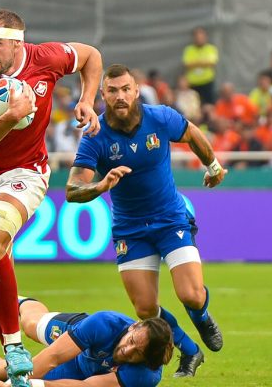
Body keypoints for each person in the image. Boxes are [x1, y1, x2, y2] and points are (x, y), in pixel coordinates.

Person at [0, 9, 102, 386]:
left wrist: (88, 99)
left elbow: (90, 56)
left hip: (27, 172)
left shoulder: (45, 58)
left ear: (17, 43)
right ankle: (13, 352)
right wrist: (10, 117)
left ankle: (16, 349)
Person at [66, 64, 226, 377]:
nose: (120, 96)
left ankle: (202, 317)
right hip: (130, 229)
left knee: (190, 295)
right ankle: (190, 350)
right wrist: (100, 186)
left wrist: (214, 166)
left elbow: (192, 133)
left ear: (137, 91)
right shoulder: (95, 137)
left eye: (126, 89)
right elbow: (73, 189)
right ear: (103, 95)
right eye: (112, 91)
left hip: (170, 219)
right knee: (145, 310)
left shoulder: (160, 117)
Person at [0, 296, 174, 387]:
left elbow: (85, 386)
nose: (127, 350)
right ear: (134, 326)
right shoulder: (104, 323)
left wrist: (22, 384)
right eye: (131, 340)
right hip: (77, 336)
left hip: (85, 373)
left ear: (145, 360)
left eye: (136, 353)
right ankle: (15, 301)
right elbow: (53, 357)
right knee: (31, 325)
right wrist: (16, 385)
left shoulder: (146, 375)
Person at [181, 26, 219, 105]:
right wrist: (203, 62)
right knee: (195, 105)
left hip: (207, 82)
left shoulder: (211, 48)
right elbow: (187, 64)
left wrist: (195, 62)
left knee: (209, 104)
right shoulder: (189, 49)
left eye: (201, 37)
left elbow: (212, 62)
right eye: (197, 37)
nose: (199, 39)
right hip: (193, 83)